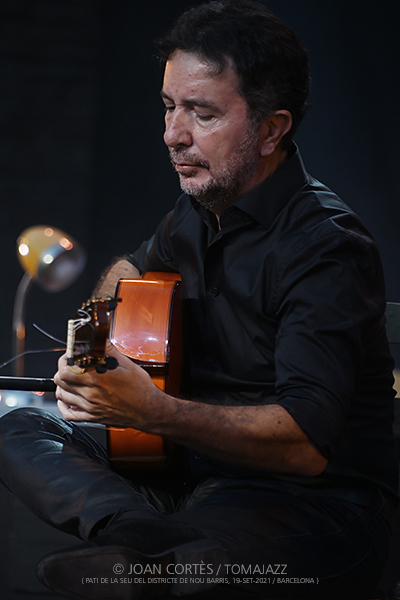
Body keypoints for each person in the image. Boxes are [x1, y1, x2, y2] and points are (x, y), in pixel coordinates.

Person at [0, 1, 398, 599]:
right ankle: (141, 536)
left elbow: (305, 446)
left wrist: (153, 412)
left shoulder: (328, 248)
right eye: (169, 107)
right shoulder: (197, 207)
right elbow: (129, 268)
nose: (172, 135)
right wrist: (93, 346)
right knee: (19, 428)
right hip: (189, 474)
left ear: (272, 130)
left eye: (202, 113)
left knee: (204, 554)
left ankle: (155, 553)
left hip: (312, 507)